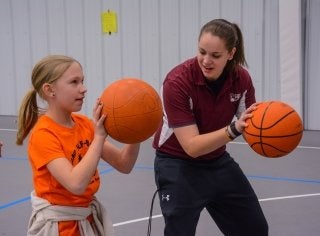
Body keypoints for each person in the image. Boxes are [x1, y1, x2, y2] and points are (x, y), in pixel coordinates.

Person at [152, 19, 268, 236]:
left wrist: (271, 129)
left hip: (217, 161)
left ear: (231, 54)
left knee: (254, 229)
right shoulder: (177, 82)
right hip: (177, 164)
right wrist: (234, 129)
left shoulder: (241, 79)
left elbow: (252, 124)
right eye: (202, 52)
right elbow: (192, 147)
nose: (206, 61)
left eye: (215, 55)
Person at [16, 55, 141, 236]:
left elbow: (124, 164)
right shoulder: (44, 134)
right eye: (74, 82)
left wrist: (137, 132)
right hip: (59, 225)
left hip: (86, 217)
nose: (83, 89)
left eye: (82, 81)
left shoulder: (84, 124)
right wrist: (98, 137)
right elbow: (75, 184)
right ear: (50, 90)